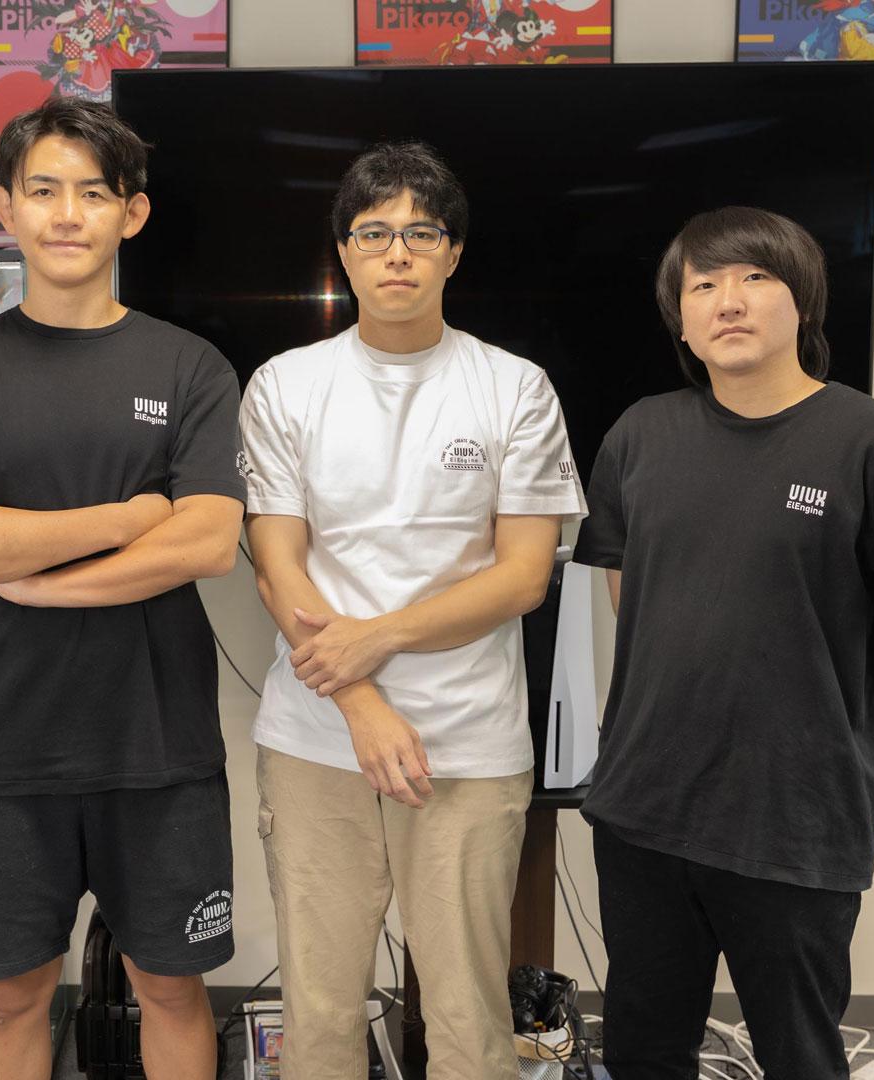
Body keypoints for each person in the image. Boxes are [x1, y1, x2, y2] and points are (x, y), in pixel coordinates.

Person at [0, 97, 244, 1080]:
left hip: (159, 748)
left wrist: (34, 579)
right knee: (12, 998)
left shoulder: (190, 366)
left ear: (131, 213)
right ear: (7, 206)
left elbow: (210, 540)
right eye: (43, 190)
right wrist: (130, 519)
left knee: (172, 990)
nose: (66, 214)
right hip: (5, 750)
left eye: (93, 193)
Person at [573, 206, 874, 1080]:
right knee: (643, 1050)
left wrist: (829, 716)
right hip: (643, 806)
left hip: (795, 815)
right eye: (703, 285)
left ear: (803, 302)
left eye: (755, 277)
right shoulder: (639, 435)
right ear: (681, 320)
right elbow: (631, 590)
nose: (729, 301)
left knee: (799, 1055)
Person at [240, 141, 584, 1079]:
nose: (397, 252)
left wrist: (377, 639)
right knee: (319, 1011)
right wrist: (360, 702)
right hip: (317, 741)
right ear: (343, 253)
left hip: (466, 744)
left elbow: (523, 577)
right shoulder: (285, 384)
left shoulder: (515, 387)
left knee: (470, 1016)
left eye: (421, 233)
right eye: (373, 232)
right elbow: (276, 565)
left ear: (454, 252)